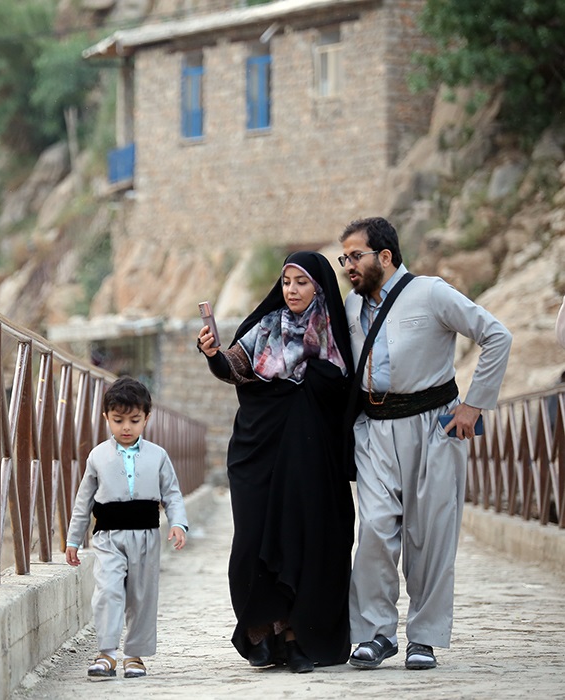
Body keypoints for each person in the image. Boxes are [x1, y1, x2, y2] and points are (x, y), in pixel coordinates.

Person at [338, 217, 512, 671]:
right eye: (344, 258)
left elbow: (496, 335)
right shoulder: (351, 308)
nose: (347, 266)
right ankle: (375, 635)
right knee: (374, 528)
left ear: (386, 256)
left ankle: (424, 638)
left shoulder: (431, 292)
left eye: (355, 256)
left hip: (434, 426)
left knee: (431, 534)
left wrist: (474, 406)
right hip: (374, 429)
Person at [197, 250, 355, 673]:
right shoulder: (265, 327)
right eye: (286, 281)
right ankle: (259, 630)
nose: (291, 290)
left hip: (310, 460)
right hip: (257, 452)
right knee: (252, 539)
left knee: (303, 541)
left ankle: (297, 636)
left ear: (319, 287)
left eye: (301, 282)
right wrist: (214, 354)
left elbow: (346, 394)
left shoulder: (337, 335)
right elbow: (235, 367)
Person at [65, 376, 189, 680]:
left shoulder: (158, 456)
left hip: (147, 537)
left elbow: (172, 493)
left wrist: (178, 523)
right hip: (107, 537)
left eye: (134, 420)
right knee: (107, 591)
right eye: (118, 420)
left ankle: (134, 655)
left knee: (141, 596)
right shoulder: (97, 456)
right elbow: (84, 501)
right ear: (106, 417)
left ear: (147, 418)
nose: (126, 427)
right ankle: (106, 654)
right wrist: (73, 539)